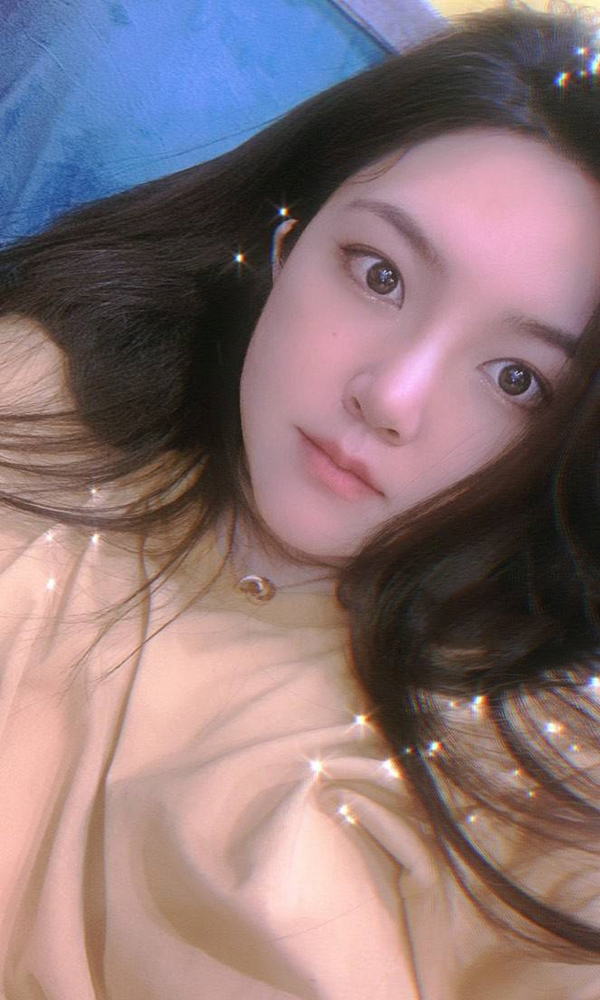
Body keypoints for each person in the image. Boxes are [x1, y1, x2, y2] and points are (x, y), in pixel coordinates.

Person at [0, 0, 599, 996]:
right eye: (380, 275)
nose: (391, 397)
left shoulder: (527, 769)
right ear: (289, 239)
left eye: (515, 379)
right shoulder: (34, 394)